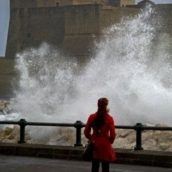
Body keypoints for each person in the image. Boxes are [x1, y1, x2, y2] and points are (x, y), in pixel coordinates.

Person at [84, 97, 116, 172]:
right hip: (105, 144)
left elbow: (86, 132)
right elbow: (113, 135)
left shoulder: (92, 117)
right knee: (105, 167)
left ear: (97, 105)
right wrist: (109, 141)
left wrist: (92, 138)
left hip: (95, 143)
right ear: (106, 105)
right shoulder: (109, 118)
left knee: (95, 166)